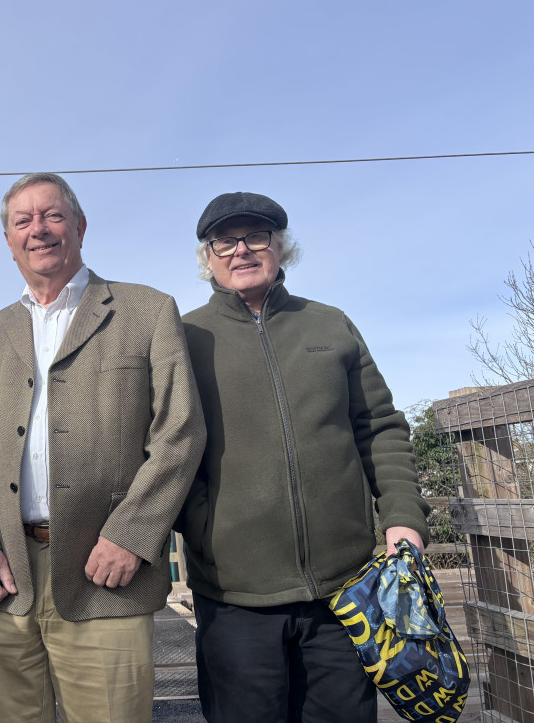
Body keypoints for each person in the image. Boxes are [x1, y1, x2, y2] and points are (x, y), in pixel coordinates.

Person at [0, 172, 206, 723]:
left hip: (105, 573)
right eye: (23, 220)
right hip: (3, 577)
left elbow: (179, 431)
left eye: (52, 215)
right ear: (9, 240)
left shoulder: (148, 310)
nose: (38, 229)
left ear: (80, 226)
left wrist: (132, 534)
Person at [176, 191, 430, 722]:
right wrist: (204, 526)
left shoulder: (330, 324)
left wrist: (403, 517)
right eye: (226, 240)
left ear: (280, 247)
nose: (242, 249)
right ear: (208, 257)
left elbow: (380, 426)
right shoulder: (185, 337)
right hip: (234, 591)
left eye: (257, 235)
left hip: (345, 589)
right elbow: (167, 446)